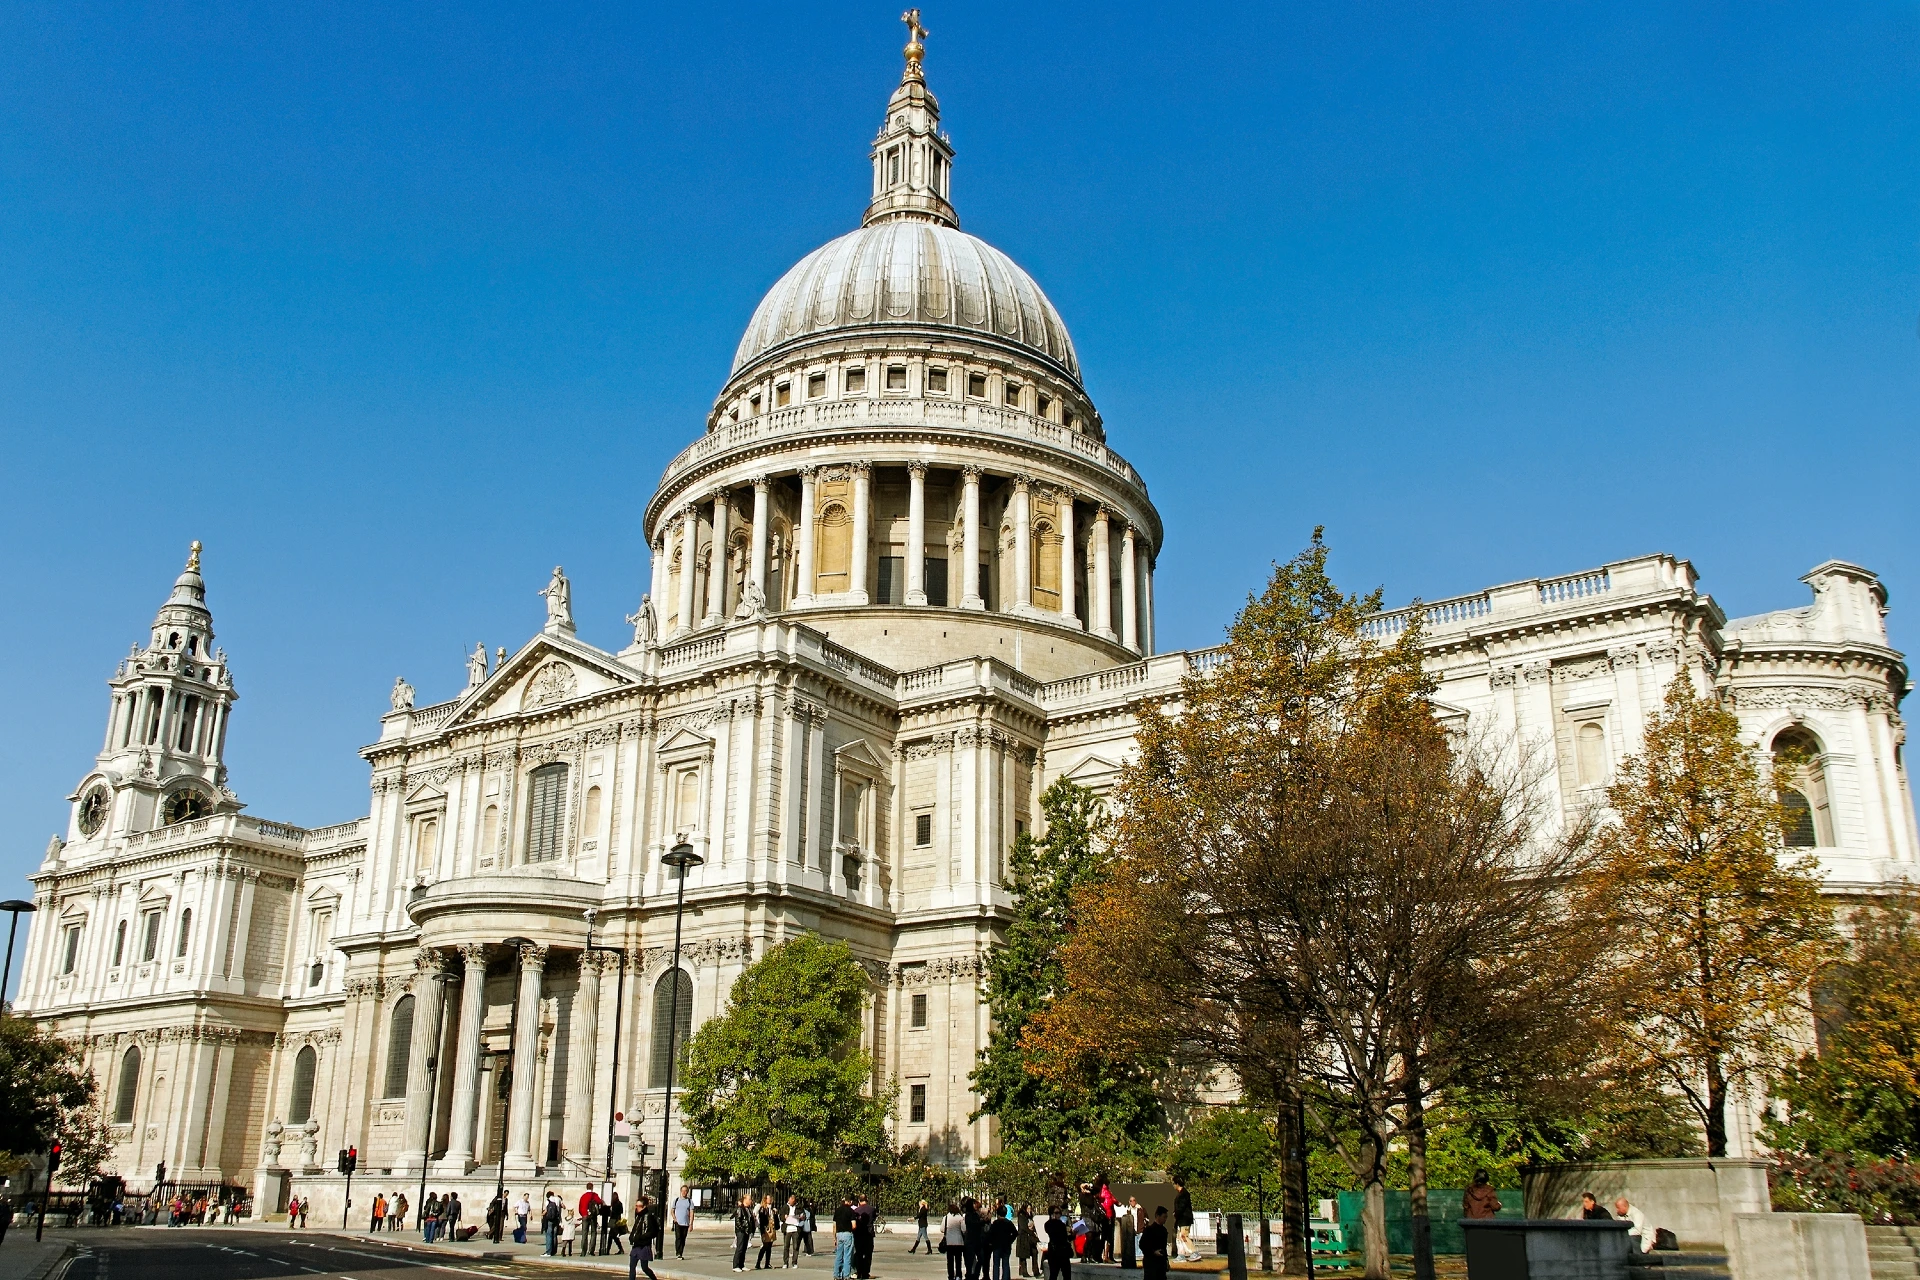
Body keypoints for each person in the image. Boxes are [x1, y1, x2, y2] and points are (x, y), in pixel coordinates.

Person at [631, 1196, 660, 1280]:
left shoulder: (648, 1217)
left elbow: (651, 1232)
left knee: (644, 1268)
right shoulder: (638, 1216)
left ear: (644, 1207)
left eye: (639, 1206)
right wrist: (631, 1237)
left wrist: (640, 1237)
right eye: (636, 1206)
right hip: (636, 1245)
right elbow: (635, 1228)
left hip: (644, 1245)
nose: (637, 1208)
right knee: (632, 1266)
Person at [989, 1200, 1017, 1280]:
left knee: (996, 1265)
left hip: (997, 1246)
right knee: (1005, 1264)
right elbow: (1015, 1233)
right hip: (1006, 1245)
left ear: (998, 1214)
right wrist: (1010, 1240)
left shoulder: (995, 1223)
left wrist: (991, 1242)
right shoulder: (1008, 1223)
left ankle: (996, 1278)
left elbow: (990, 1234)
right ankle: (1005, 1278)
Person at [1043, 1210, 1074, 1280]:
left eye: (1059, 1213)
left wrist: (1073, 1235)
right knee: (1054, 1274)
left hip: (1063, 1252)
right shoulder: (1049, 1224)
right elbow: (1054, 1235)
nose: (1059, 1215)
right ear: (1052, 1214)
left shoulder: (1061, 1224)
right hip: (1055, 1252)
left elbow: (1065, 1238)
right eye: (1056, 1213)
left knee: (1066, 1274)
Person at [1140, 1208, 1170, 1280]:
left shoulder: (1164, 1230)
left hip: (1161, 1262)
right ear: (1157, 1216)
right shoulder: (1149, 1230)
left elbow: (1164, 1247)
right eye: (1164, 1217)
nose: (1165, 1219)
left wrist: (1166, 1261)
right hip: (1151, 1262)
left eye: (1166, 1217)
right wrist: (1153, 1252)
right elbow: (1142, 1245)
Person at [833, 1196, 858, 1280]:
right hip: (848, 1234)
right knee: (847, 1255)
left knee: (839, 1255)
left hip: (839, 1234)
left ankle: (837, 1274)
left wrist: (834, 1238)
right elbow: (854, 1225)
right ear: (850, 1202)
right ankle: (846, 1275)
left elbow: (834, 1225)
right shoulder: (851, 1211)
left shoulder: (837, 1210)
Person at [854, 1194, 877, 1280]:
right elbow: (874, 1218)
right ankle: (866, 1272)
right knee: (868, 1254)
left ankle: (859, 1272)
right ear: (867, 1200)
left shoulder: (856, 1210)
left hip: (858, 1234)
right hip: (869, 1233)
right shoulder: (872, 1209)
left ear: (859, 1201)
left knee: (859, 1253)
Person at [735, 1192, 759, 1273]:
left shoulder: (748, 1209)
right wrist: (742, 1229)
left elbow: (749, 1220)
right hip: (741, 1231)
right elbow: (738, 1221)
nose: (751, 1201)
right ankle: (736, 1265)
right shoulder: (740, 1209)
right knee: (740, 1248)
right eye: (749, 1199)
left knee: (744, 1248)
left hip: (746, 1231)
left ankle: (742, 1265)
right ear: (745, 1200)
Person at [944, 1200, 969, 1280]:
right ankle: (958, 1275)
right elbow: (964, 1229)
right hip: (959, 1242)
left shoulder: (946, 1217)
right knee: (958, 1260)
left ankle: (951, 1275)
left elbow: (942, 1229)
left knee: (950, 1260)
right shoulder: (960, 1218)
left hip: (949, 1242)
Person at [1172, 1181, 1193, 1261]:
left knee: (1183, 1236)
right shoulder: (1182, 1194)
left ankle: (1194, 1252)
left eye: (1174, 1183)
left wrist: (1176, 1212)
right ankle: (1181, 1255)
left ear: (1177, 1184)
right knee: (1179, 1237)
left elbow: (1182, 1207)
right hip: (1181, 1219)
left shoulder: (1183, 1194)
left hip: (1184, 1219)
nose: (1173, 1186)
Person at [1016, 1205, 1038, 1279]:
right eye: (1028, 1208)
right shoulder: (1021, 1216)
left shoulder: (1030, 1216)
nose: (1029, 1210)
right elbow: (1023, 1227)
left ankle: (1035, 1270)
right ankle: (1024, 1271)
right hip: (1023, 1238)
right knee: (1023, 1256)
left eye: (1030, 1208)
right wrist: (1030, 1231)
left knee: (1034, 1252)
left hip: (1030, 1238)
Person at [581, 1185, 604, 1257]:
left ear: (586, 1187)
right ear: (592, 1187)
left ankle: (583, 1251)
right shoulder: (594, 1195)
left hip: (585, 1216)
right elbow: (600, 1201)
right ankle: (591, 1250)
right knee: (593, 1232)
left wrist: (584, 1214)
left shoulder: (583, 1196)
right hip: (593, 1217)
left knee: (584, 1233)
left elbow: (580, 1207)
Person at [785, 1195, 807, 1269]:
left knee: (795, 1246)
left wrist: (801, 1217)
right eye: (790, 1200)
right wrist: (784, 1217)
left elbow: (804, 1216)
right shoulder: (785, 1207)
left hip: (795, 1228)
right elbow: (781, 1216)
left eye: (793, 1200)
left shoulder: (799, 1207)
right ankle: (785, 1263)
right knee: (786, 1246)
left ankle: (794, 1262)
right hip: (787, 1229)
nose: (791, 1201)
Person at [757, 1193, 778, 1271]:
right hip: (766, 1229)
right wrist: (762, 1232)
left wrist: (775, 1214)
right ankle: (758, 1262)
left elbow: (775, 1220)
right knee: (765, 1246)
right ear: (765, 1200)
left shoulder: (772, 1209)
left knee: (769, 1247)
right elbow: (762, 1221)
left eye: (770, 1198)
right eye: (768, 1199)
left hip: (772, 1228)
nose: (770, 1200)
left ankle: (767, 1263)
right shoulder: (763, 1209)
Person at [673, 1187, 695, 1259]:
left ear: (687, 1192)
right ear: (680, 1191)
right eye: (682, 1191)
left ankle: (681, 1252)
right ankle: (678, 1253)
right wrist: (674, 1218)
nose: (684, 1192)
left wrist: (691, 1224)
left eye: (685, 1191)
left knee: (683, 1238)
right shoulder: (676, 1200)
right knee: (678, 1237)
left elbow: (691, 1212)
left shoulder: (689, 1201)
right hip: (678, 1222)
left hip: (685, 1223)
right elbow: (672, 1210)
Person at [1118, 1199, 1138, 1269]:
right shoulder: (1125, 1211)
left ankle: (1130, 1261)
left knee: (1132, 1244)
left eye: (1134, 1200)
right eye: (1131, 1201)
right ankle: (1127, 1261)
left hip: (1136, 1229)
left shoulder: (1139, 1209)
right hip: (1127, 1228)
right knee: (1126, 1243)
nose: (1132, 1202)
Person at [543, 1191, 564, 1256]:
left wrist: (542, 1214)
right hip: (557, 1219)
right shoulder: (558, 1199)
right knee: (554, 1235)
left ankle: (548, 1252)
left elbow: (546, 1210)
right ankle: (554, 1251)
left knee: (549, 1235)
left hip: (550, 1219)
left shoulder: (548, 1200)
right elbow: (564, 1206)